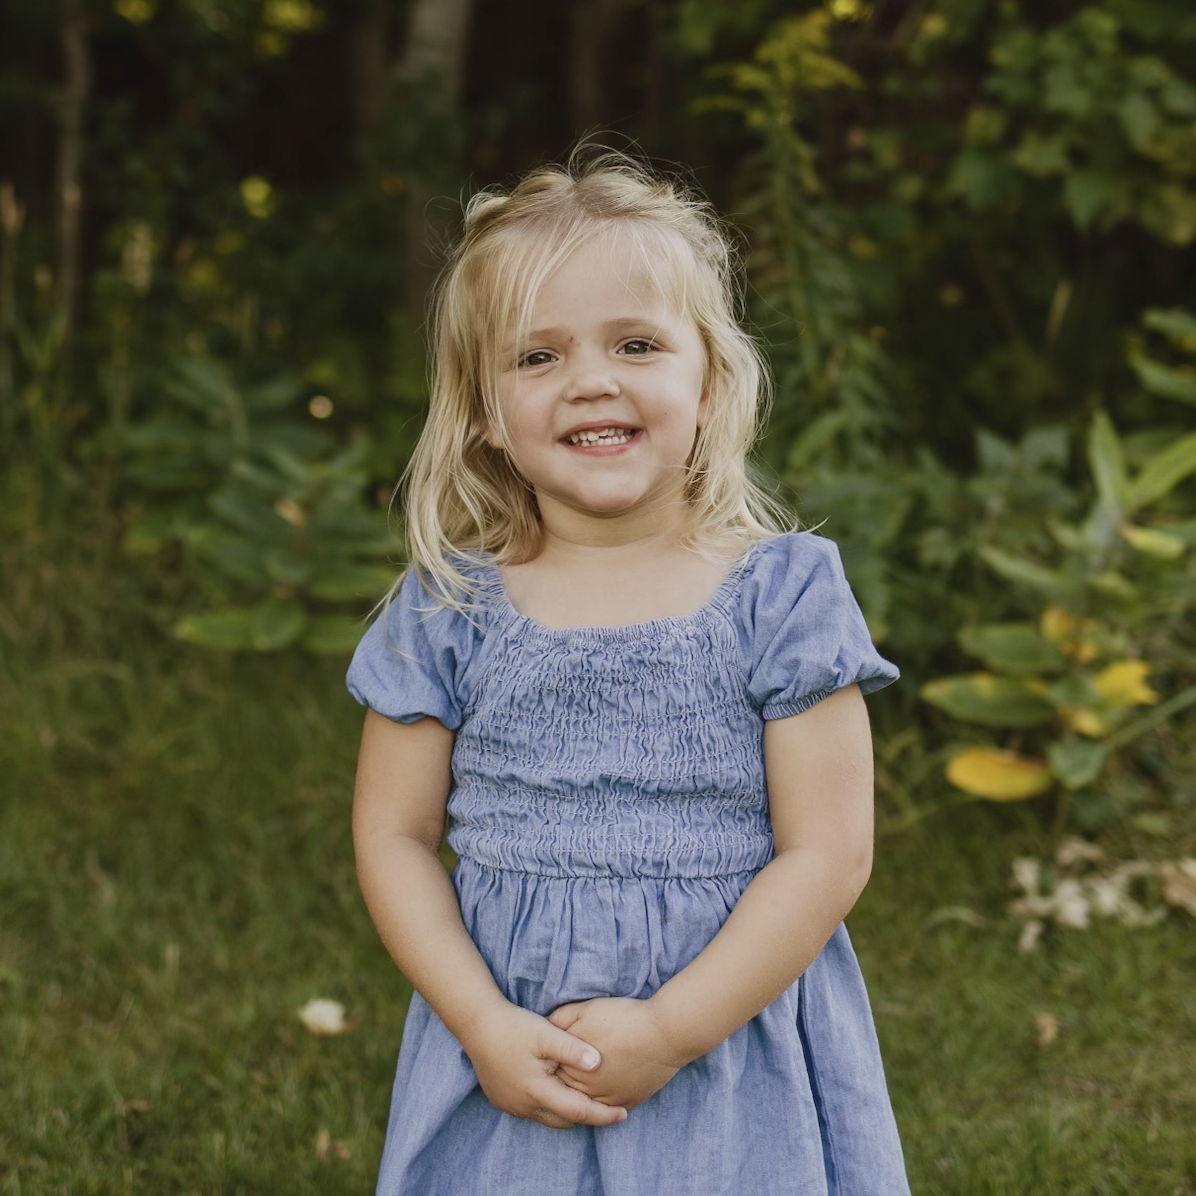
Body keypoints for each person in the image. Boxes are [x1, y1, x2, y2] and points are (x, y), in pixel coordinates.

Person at [345, 139, 910, 1195]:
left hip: (728, 1039)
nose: (590, 381)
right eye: (537, 357)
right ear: (483, 410)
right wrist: (480, 1022)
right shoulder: (448, 608)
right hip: (515, 1030)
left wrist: (671, 1028)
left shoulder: (781, 596)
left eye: (637, 343)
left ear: (709, 380)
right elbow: (394, 836)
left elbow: (828, 853)